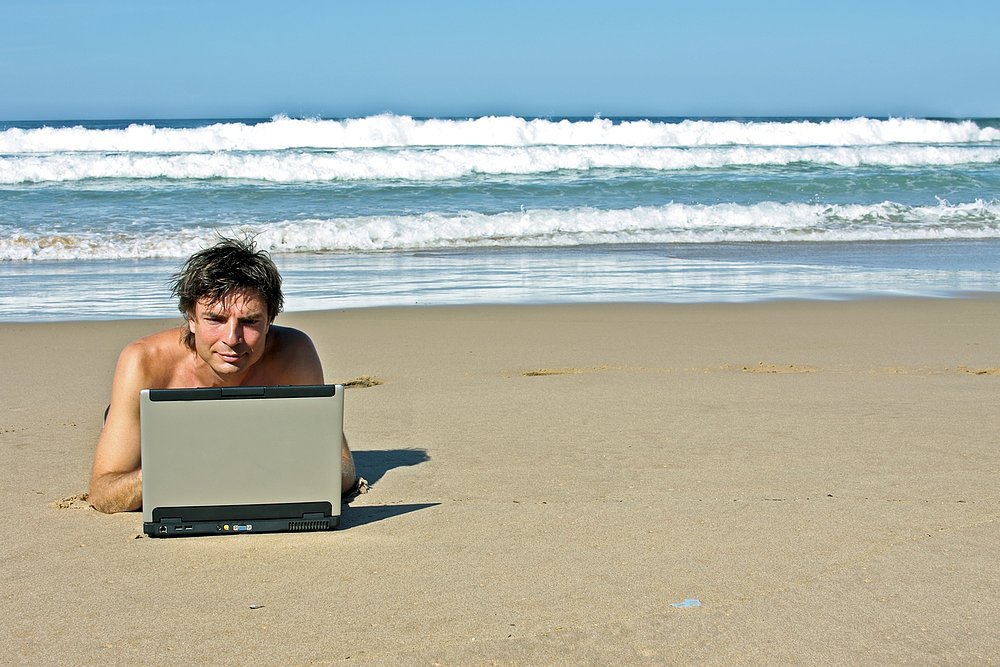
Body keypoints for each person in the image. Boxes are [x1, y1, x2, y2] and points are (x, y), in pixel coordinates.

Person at [88, 235, 356, 514]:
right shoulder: (144, 361)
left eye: (250, 321)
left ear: (269, 321)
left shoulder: (294, 352)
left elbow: (343, 471)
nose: (232, 338)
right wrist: (166, 472)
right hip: (172, 450)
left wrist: (232, 464)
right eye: (215, 319)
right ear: (191, 319)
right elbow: (104, 493)